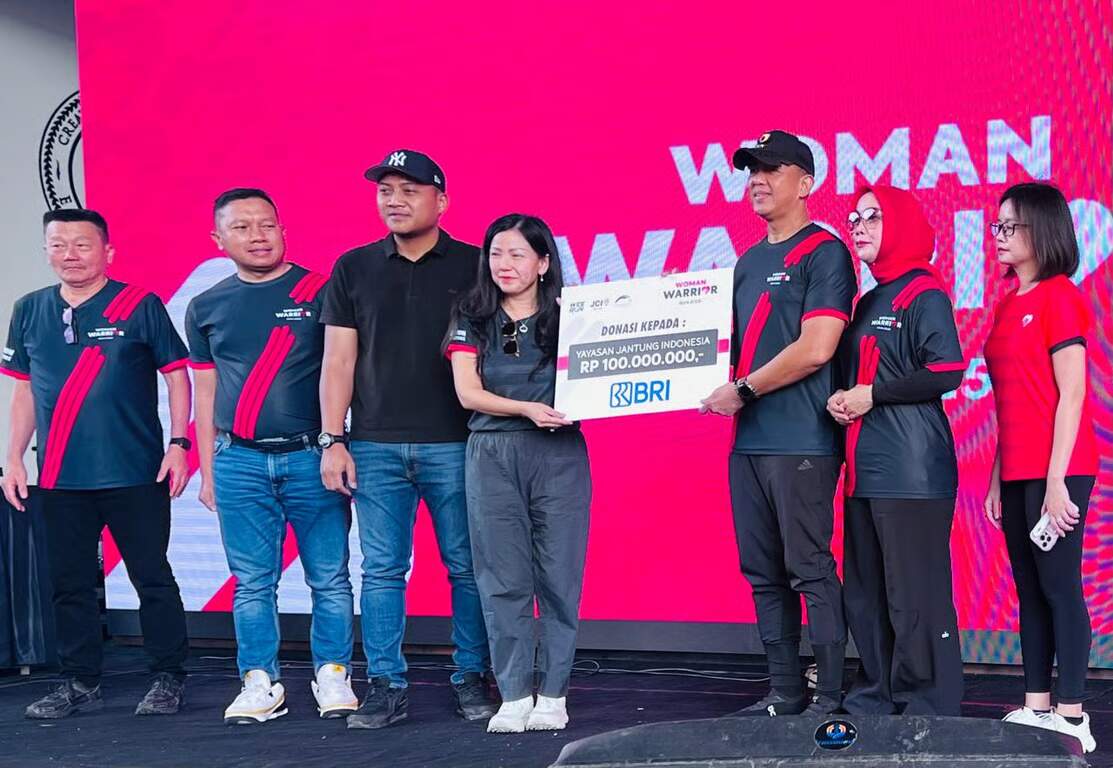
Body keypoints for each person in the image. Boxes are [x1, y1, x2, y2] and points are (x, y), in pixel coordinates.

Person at [319, 149, 496, 729]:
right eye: (385, 191)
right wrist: (332, 439)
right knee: (382, 570)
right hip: (374, 445)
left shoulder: (477, 265)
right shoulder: (353, 267)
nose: (394, 200)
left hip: (457, 441)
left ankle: (472, 675)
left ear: (441, 201)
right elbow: (338, 361)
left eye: (409, 190)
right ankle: (386, 684)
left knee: (467, 567)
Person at [1, 209, 191, 718]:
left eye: (82, 244)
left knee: (152, 577)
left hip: (136, 472)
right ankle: (79, 681)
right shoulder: (29, 309)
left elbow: (177, 375)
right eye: (58, 244)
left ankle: (169, 676)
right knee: (70, 585)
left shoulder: (139, 305)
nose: (70, 254)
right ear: (47, 251)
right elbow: (24, 391)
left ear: (108, 252)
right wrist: (13, 459)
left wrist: (179, 444)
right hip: (59, 477)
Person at [185, 188, 356, 725]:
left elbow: (345, 370)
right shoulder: (205, 306)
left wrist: (335, 443)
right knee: (253, 582)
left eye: (266, 225)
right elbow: (206, 393)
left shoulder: (321, 291)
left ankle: (333, 674)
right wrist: (208, 471)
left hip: (312, 457)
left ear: (284, 231)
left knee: (330, 578)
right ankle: (260, 682)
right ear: (218, 240)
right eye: (241, 227)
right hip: (238, 462)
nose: (257, 236)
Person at [701, 130, 856, 716]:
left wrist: (742, 389)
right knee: (763, 574)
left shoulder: (825, 252)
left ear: (806, 183)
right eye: (751, 171)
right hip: (749, 444)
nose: (758, 181)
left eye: (772, 169)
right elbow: (728, 351)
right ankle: (785, 692)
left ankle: (830, 697)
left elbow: (817, 348)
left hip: (803, 439)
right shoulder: (747, 263)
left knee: (809, 570)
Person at [445, 214, 591, 733]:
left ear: (543, 262)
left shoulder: (572, 316)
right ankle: (512, 693)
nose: (504, 264)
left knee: (559, 577)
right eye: (496, 254)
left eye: (517, 254)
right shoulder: (471, 315)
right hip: (492, 451)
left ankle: (553, 693)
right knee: (501, 578)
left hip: (558, 454)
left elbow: (613, 364)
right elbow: (468, 393)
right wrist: (526, 409)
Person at [827, 185, 965, 716]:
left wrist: (873, 394)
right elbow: (857, 378)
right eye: (854, 218)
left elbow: (946, 370)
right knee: (866, 595)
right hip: (863, 472)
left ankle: (927, 706)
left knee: (914, 599)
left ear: (902, 224)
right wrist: (843, 398)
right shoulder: (868, 302)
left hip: (912, 472)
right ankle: (874, 699)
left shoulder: (925, 294)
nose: (859, 226)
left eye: (873, 216)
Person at [983, 182, 1098, 754]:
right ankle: (1037, 707)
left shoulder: (1061, 297)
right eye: (997, 226)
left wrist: (1056, 482)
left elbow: (1071, 395)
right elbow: (1011, 400)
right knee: (1028, 591)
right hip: (1018, 471)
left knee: (1059, 588)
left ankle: (1073, 716)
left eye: (1012, 226)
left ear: (1043, 231)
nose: (1000, 236)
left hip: (1061, 470)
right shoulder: (1007, 304)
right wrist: (996, 478)